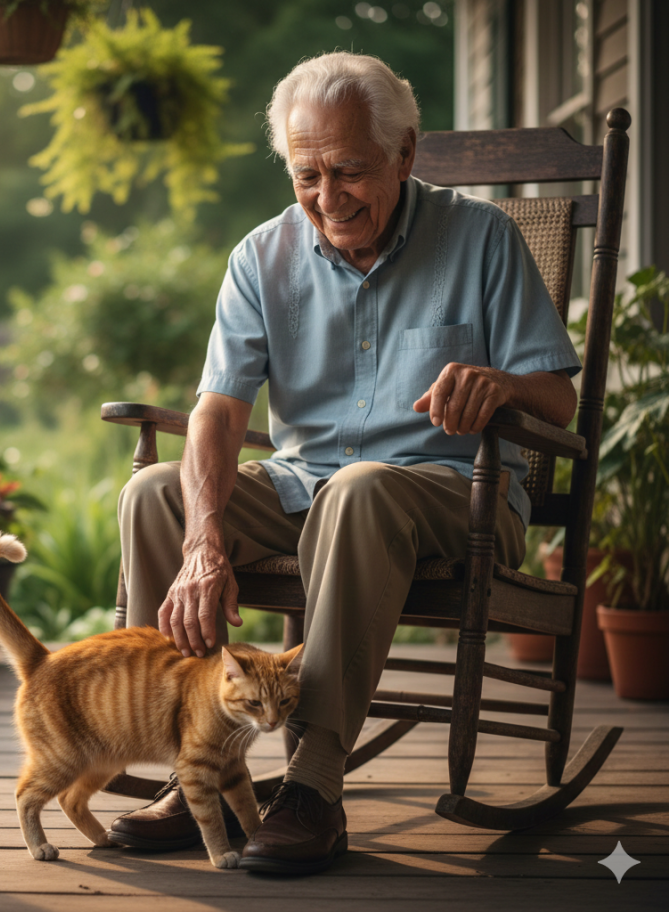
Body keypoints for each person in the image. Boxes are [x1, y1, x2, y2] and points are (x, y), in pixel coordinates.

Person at [108, 52, 581, 875]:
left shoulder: (482, 238)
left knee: (358, 491)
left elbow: (560, 403)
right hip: (305, 484)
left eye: (351, 171)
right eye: (308, 174)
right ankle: (203, 770)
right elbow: (218, 409)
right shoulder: (261, 258)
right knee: (154, 494)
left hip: (454, 494)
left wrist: (500, 383)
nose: (329, 198)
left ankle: (314, 788)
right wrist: (203, 538)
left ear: (404, 155)